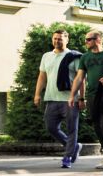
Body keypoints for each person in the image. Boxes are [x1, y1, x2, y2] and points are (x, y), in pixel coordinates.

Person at [70, 29, 103, 161]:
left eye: (89, 39)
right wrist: (73, 95)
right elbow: (79, 77)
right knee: (97, 126)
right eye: (86, 40)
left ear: (98, 39)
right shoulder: (85, 57)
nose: (86, 42)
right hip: (92, 96)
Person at [33, 27, 83, 168]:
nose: (57, 41)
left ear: (67, 40)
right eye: (55, 38)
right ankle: (74, 147)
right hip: (51, 98)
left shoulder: (74, 56)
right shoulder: (46, 56)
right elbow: (42, 76)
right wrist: (37, 94)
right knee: (51, 127)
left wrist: (81, 98)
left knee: (72, 129)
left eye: (60, 39)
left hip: (70, 99)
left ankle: (67, 157)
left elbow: (81, 78)